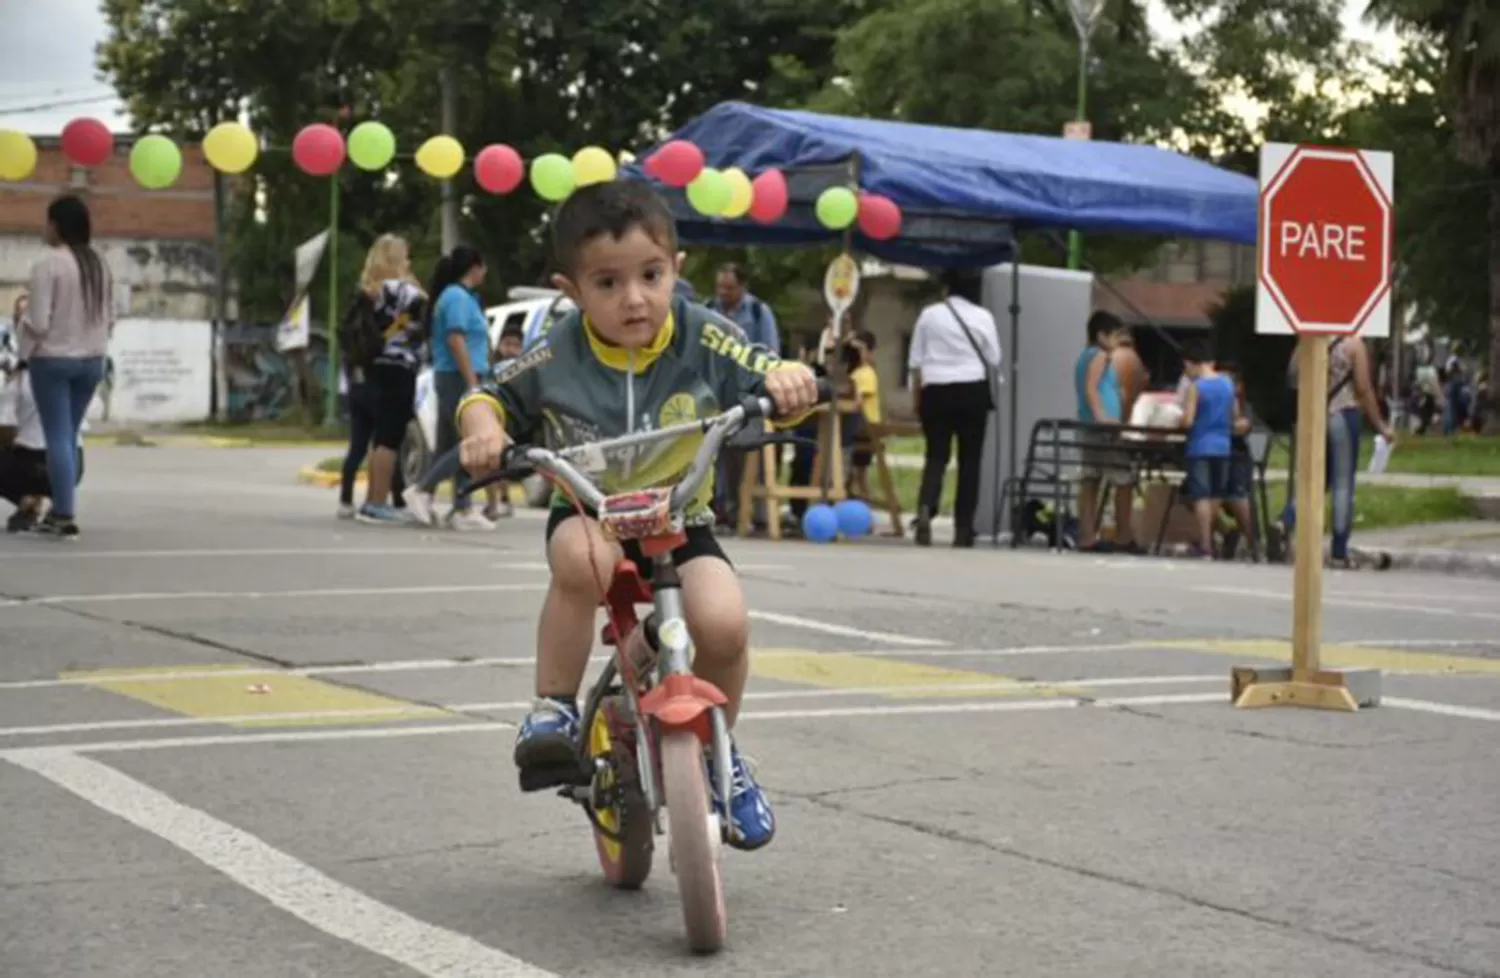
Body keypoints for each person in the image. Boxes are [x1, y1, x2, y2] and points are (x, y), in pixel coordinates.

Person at [456, 180, 820, 851]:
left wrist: (788, 382)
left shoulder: (706, 335)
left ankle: (719, 755)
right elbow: (489, 398)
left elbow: (766, 372)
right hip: (591, 511)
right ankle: (554, 710)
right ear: (571, 290)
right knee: (580, 560)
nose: (634, 298)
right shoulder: (554, 351)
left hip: (681, 519)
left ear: (677, 270)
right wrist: (482, 428)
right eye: (607, 283)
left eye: (651, 276)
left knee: (725, 624)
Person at [20, 195, 114, 539]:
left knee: (56, 436)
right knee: (68, 435)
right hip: (92, 360)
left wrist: (23, 345)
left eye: (49, 222)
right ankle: (62, 508)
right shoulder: (99, 263)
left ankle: (63, 513)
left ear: (57, 225)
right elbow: (111, 317)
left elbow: (39, 321)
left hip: (54, 360)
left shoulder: (49, 263)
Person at [1277, 334, 1396, 568]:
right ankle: (1339, 551)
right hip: (1342, 413)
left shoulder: (1307, 341)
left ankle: (1285, 521)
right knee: (1343, 482)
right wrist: (1380, 425)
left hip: (1313, 415)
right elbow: (1362, 388)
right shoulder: (1353, 344)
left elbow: (1293, 378)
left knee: (1315, 479)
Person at [405, 246, 497, 531]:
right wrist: (472, 380)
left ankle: (457, 505)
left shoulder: (460, 297)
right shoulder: (456, 297)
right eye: (484, 266)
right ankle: (424, 490)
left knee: (448, 444)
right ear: (475, 267)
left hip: (457, 374)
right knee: (469, 442)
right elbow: (456, 339)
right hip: (459, 375)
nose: (486, 272)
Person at [907, 269, 1000, 548]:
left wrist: (917, 398)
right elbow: (995, 358)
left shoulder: (929, 315)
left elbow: (915, 361)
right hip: (972, 389)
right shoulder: (984, 317)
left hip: (935, 389)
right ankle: (963, 527)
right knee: (970, 461)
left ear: (948, 289)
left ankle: (926, 507)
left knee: (936, 455)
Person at [352, 235, 428, 524]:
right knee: (390, 437)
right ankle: (379, 502)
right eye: (405, 255)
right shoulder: (403, 291)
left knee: (379, 437)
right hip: (400, 367)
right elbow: (425, 310)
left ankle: (372, 498)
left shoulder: (372, 290)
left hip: (376, 365)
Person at [706, 263, 780, 528]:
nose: (723, 293)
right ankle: (716, 508)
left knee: (744, 454)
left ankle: (746, 512)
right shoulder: (707, 310)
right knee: (710, 455)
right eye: (719, 288)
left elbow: (770, 355)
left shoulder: (759, 313)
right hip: (711, 397)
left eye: (729, 288)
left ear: (742, 287)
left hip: (745, 398)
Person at [1177, 343, 1252, 559]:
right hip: (1223, 447)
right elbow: (1234, 417)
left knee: (1201, 495)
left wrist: (1179, 419)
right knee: (1217, 493)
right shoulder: (1228, 384)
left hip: (1200, 446)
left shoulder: (1196, 387)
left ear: (1190, 364)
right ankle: (1212, 540)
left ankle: (1206, 544)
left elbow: (1188, 420)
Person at [1074, 311, 1137, 553]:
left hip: (1087, 424)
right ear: (1101, 336)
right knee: (1124, 479)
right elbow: (1092, 388)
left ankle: (1087, 536)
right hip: (1102, 428)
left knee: (1090, 479)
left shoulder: (1084, 357)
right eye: (1114, 336)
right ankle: (1123, 536)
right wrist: (1104, 418)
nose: (1116, 342)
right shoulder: (1100, 356)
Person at [0, 358, 50, 532]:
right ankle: (45, 503)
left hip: (32, 463)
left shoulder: (18, 383)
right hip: (71, 468)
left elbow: (5, 428)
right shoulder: (68, 382)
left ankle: (26, 499)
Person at [846, 329, 880, 500]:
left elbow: (857, 401)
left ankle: (864, 503)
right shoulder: (854, 372)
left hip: (865, 430)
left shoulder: (866, 373)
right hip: (855, 428)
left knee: (860, 474)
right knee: (851, 474)